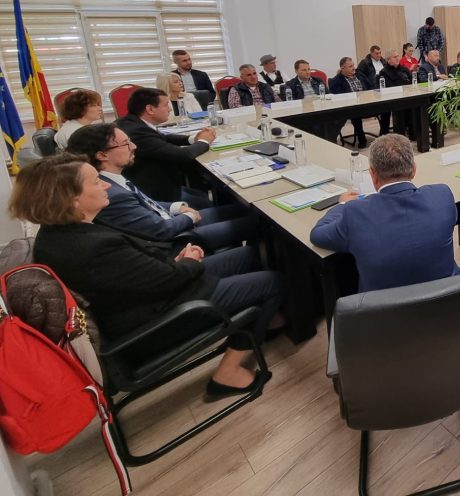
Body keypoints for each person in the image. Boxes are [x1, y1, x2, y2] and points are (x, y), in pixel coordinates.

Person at [12, 154, 282, 398]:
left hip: (156, 292)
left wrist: (177, 262)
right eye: (96, 182)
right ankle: (229, 371)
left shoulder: (58, 234)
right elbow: (166, 281)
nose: (106, 185)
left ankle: (266, 320)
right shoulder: (89, 246)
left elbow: (136, 273)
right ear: (72, 198)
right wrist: (187, 262)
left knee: (249, 255)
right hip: (163, 315)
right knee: (273, 282)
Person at [67, 123, 251, 251]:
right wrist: (189, 216)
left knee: (242, 210)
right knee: (254, 221)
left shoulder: (111, 177)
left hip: (169, 219)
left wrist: (176, 207)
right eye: (126, 144)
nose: (134, 146)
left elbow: (145, 203)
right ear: (102, 155)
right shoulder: (108, 192)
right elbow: (161, 231)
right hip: (178, 239)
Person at [311, 134, 460, 292]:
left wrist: (342, 204)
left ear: (373, 175)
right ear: (414, 169)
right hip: (448, 299)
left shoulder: (354, 213)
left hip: (382, 306)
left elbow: (317, 235)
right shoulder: (442, 195)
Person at [116, 87, 216, 202]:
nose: (169, 109)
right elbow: (183, 155)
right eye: (165, 105)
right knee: (205, 200)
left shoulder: (131, 122)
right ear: (150, 109)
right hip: (157, 194)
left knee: (202, 195)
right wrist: (204, 141)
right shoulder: (137, 132)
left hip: (161, 183)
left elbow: (162, 138)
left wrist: (193, 139)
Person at [328, 57, 368, 148]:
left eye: (353, 65)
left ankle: (384, 133)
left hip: (367, 102)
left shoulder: (360, 75)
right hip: (351, 106)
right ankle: (362, 139)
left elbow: (370, 86)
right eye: (350, 66)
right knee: (355, 113)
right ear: (342, 68)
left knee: (385, 107)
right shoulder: (336, 81)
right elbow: (340, 98)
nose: (354, 68)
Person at [378, 49, 412, 135]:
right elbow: (389, 87)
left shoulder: (404, 69)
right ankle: (399, 133)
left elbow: (412, 82)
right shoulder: (383, 72)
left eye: (398, 56)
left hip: (407, 97)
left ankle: (413, 133)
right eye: (394, 57)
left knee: (416, 105)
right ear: (388, 60)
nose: (397, 58)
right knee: (398, 107)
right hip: (392, 100)